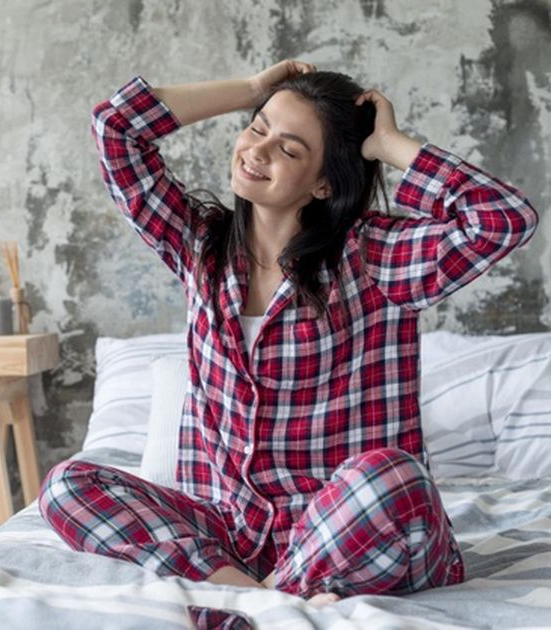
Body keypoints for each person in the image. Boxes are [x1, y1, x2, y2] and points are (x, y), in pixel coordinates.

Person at [38, 60, 540, 620]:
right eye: (258, 130)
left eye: (290, 149)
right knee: (67, 485)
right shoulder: (199, 247)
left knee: (390, 476)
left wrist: (392, 144)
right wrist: (250, 91)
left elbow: (502, 218)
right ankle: (259, 600)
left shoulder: (376, 258)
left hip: (356, 527)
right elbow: (117, 128)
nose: (258, 151)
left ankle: (238, 604)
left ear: (324, 183)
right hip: (235, 534)